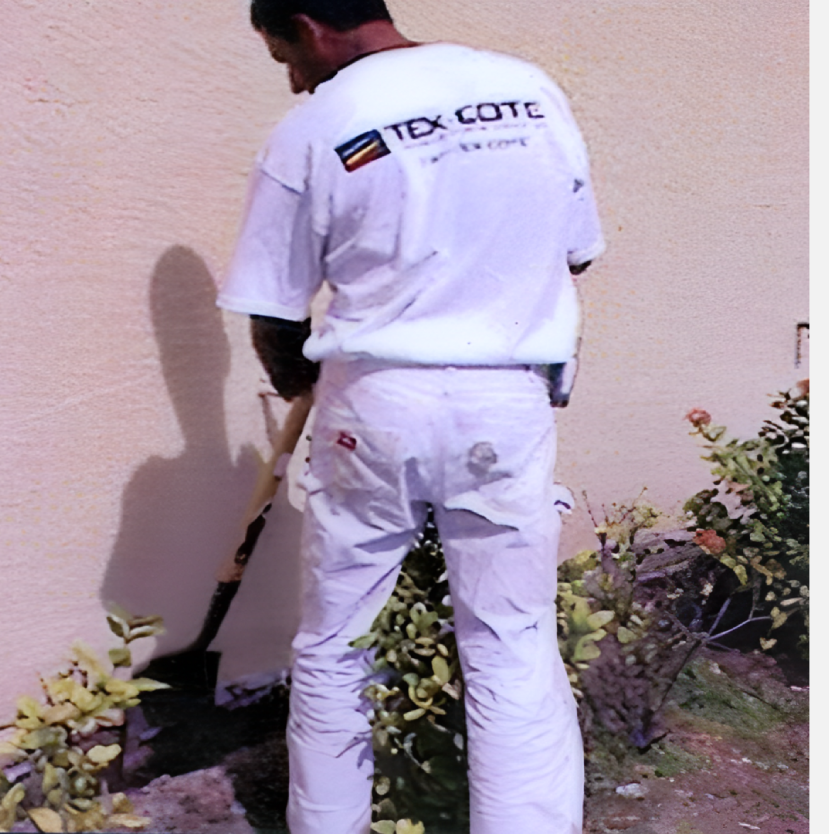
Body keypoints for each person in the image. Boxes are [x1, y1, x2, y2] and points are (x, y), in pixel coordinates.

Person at [216, 2, 605, 832]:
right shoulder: (530, 92)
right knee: (511, 642)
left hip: (374, 400)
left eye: (282, 51)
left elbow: (275, 313)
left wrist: (305, 390)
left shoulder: (314, 126)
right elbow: (572, 249)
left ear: (310, 26)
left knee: (334, 645)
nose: (290, 75)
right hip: (506, 398)